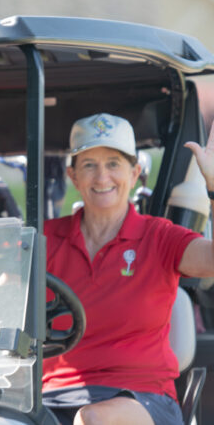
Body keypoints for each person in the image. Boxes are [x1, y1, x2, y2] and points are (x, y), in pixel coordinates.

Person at [42, 113, 214, 425]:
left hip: (142, 397)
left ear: (134, 173)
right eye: (89, 165)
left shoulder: (160, 236)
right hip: (53, 397)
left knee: (93, 419)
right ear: (73, 175)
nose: (102, 177)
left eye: (113, 164)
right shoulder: (45, 238)